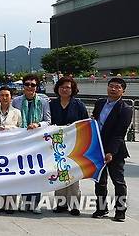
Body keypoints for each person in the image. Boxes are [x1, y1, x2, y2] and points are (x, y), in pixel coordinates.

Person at [91, 77, 133, 222]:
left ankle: (120, 211)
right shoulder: (100, 103)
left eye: (117, 87)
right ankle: (101, 208)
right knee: (100, 181)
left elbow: (119, 133)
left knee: (118, 182)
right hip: (98, 148)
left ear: (123, 91)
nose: (113, 89)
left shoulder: (126, 109)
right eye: (111, 86)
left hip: (115, 151)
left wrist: (110, 152)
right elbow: (94, 123)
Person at [49, 76, 88, 216]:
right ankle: (61, 204)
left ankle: (75, 205)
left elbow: (85, 125)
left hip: (74, 144)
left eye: (67, 87)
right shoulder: (52, 104)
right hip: (57, 144)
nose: (64, 90)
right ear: (57, 88)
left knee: (73, 174)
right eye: (62, 87)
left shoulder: (79, 105)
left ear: (72, 90)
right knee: (60, 172)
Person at [12, 73, 50, 214]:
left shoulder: (43, 101)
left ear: (37, 87)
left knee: (36, 172)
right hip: (21, 142)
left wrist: (38, 124)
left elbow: (48, 121)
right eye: (27, 84)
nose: (30, 87)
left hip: (37, 142)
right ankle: (24, 201)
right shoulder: (16, 101)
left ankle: (35, 203)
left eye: (33, 85)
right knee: (22, 172)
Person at [0, 86, 22, 214]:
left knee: (11, 177)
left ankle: (11, 204)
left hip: (12, 149)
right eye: (2, 95)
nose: (4, 98)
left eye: (7, 95)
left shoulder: (17, 112)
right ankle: (0, 202)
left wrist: (9, 128)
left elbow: (21, 130)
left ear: (11, 97)